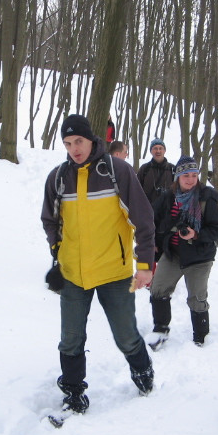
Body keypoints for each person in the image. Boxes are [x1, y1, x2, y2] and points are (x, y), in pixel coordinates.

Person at [41, 114, 156, 415]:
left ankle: (143, 371)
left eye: (78, 141)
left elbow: (143, 219)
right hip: (73, 275)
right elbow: (49, 220)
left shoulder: (117, 171)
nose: (74, 149)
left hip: (113, 272)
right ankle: (74, 393)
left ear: (91, 139)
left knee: (126, 335)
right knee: (70, 340)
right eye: (67, 143)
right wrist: (58, 249)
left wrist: (145, 264)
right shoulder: (58, 178)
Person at [147, 156, 218, 349]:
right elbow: (152, 221)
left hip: (199, 258)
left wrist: (196, 234)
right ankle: (160, 329)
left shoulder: (207, 198)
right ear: (178, 177)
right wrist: (154, 243)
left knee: (197, 298)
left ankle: (201, 337)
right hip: (173, 254)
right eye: (186, 175)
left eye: (194, 175)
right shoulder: (168, 198)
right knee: (158, 290)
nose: (190, 179)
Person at [137, 138, 175, 206]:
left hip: (167, 210)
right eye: (155, 148)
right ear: (151, 151)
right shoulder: (145, 169)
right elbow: (137, 189)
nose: (158, 151)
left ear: (164, 151)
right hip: (148, 209)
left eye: (160, 148)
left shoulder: (172, 169)